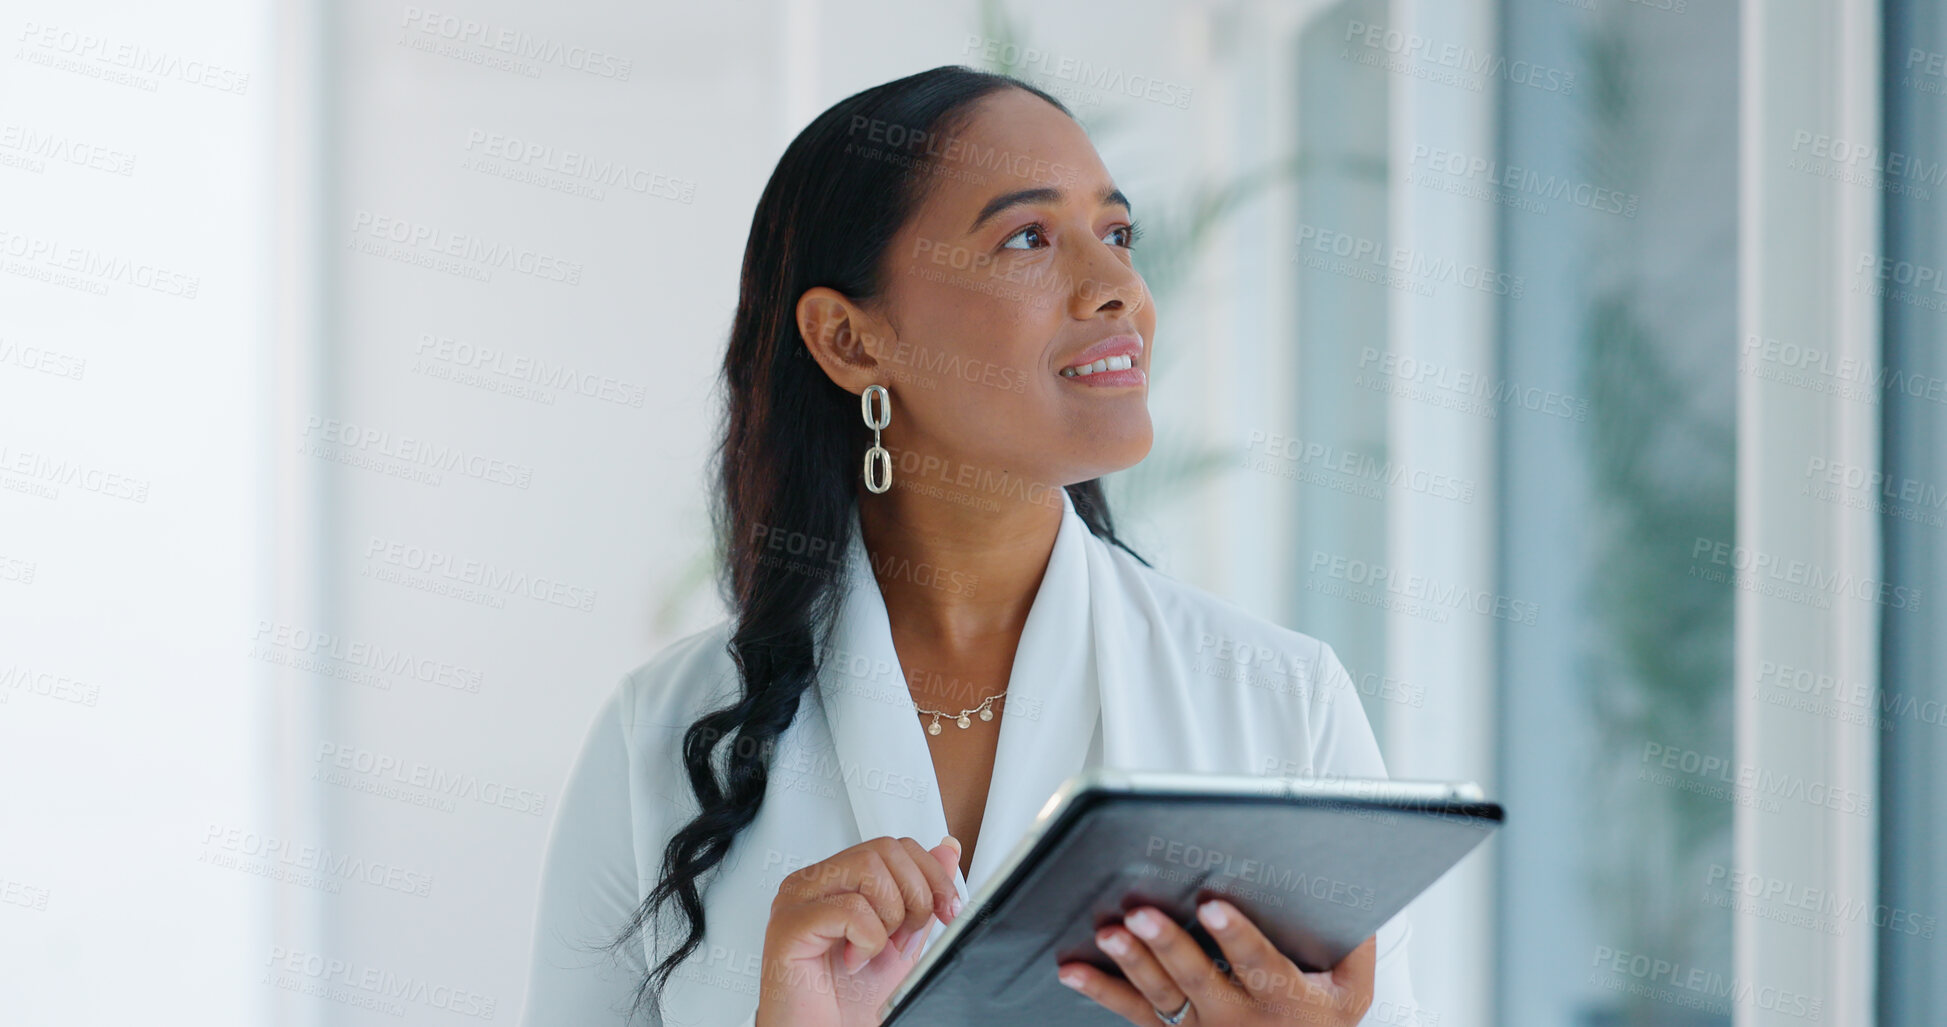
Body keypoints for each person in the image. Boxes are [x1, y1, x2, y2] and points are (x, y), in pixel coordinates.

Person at [518, 64, 1416, 1027]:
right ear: (850, 341)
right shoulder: (659, 741)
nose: (1118, 288)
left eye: (1117, 234)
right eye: (1027, 237)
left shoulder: (1278, 706)